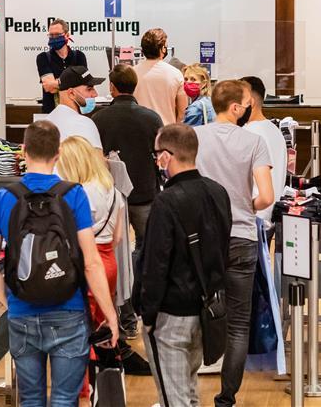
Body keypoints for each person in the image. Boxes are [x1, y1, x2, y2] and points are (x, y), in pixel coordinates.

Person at [0, 121, 119, 407]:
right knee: (65, 399)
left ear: (23, 151)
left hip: (22, 312)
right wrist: (110, 314)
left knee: (30, 399)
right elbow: (91, 262)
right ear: (58, 153)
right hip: (69, 310)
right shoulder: (74, 195)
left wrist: (11, 301)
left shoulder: (2, 198)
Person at [135, 123, 232, 407]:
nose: (156, 161)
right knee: (189, 392)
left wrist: (147, 315)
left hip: (171, 315)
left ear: (166, 156)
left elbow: (155, 265)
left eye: (156, 155)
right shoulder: (218, 192)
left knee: (174, 398)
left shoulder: (166, 202)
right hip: (206, 309)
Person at [194, 79, 275, 406]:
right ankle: (226, 398)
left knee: (197, 313)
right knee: (239, 324)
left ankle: (188, 388)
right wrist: (245, 205)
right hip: (241, 236)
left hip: (203, 239)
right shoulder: (254, 142)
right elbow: (266, 196)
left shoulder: (194, 138)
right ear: (236, 107)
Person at [57, 135, 152, 376]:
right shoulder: (113, 190)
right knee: (103, 323)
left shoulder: (80, 194)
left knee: (82, 326)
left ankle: (84, 382)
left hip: (88, 262)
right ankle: (108, 375)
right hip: (109, 261)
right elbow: (119, 236)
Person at [92, 64, 164, 337]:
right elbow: (159, 156)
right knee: (145, 251)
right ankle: (143, 307)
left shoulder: (99, 119)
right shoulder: (151, 118)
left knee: (114, 253)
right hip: (145, 194)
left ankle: (123, 315)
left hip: (112, 197)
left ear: (112, 87)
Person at [240, 76, 288, 203]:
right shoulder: (276, 131)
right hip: (272, 208)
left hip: (253, 208)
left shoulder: (247, 133)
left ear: (250, 102)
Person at [134, 28, 188, 125]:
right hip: (166, 130)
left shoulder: (132, 73)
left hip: (140, 130)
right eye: (166, 46)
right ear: (162, 49)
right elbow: (182, 113)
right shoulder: (175, 74)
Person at [43, 65, 104, 149]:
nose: (95, 94)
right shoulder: (84, 124)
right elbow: (96, 156)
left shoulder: (44, 124)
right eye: (89, 89)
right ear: (71, 93)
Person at [36, 18, 88, 114]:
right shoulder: (43, 57)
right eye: (51, 35)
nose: (53, 38)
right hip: (51, 112)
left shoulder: (79, 56)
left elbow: (83, 85)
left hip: (76, 111)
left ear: (67, 35)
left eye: (57, 35)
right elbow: (49, 88)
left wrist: (56, 82)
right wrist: (73, 82)